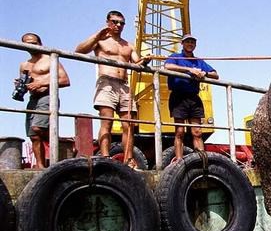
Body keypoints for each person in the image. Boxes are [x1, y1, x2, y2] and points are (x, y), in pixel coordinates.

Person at [75, 10, 148, 168]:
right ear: (108, 22)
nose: (118, 25)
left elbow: (137, 64)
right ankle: (105, 157)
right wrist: (98, 34)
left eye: (121, 23)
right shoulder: (101, 40)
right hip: (106, 83)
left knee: (129, 125)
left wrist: (145, 60)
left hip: (124, 85)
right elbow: (79, 50)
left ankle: (128, 159)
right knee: (106, 123)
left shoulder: (128, 45)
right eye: (115, 22)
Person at [17, 33, 71, 168]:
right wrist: (21, 85)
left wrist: (41, 83)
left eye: (34, 43)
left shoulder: (50, 59)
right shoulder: (24, 65)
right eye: (27, 43)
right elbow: (26, 85)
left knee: (38, 128)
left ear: (40, 44)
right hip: (33, 99)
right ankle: (40, 167)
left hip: (47, 97)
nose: (31, 45)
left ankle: (65, 145)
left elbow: (65, 80)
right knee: (33, 135)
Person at [163, 34, 218, 163]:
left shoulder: (199, 61)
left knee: (197, 132)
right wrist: (190, 70)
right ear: (182, 43)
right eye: (187, 42)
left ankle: (202, 162)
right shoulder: (175, 57)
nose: (190, 44)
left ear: (195, 45)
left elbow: (216, 75)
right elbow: (167, 66)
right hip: (179, 96)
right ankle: (179, 161)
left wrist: (205, 73)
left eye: (192, 42)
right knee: (180, 131)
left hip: (193, 98)